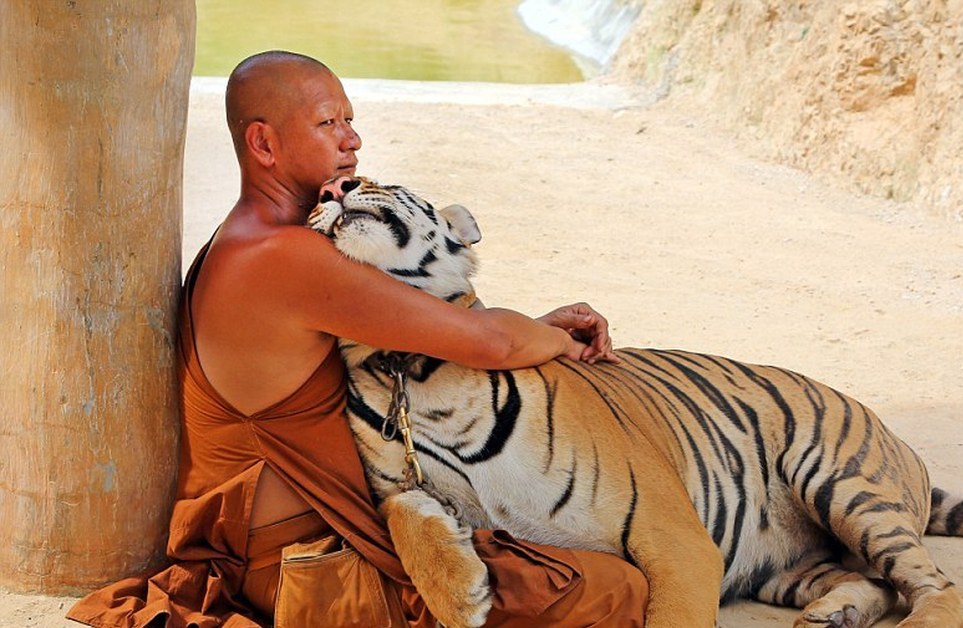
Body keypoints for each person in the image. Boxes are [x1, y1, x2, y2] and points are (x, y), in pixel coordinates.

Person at [68, 50, 647, 627]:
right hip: (306, 571)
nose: (353, 140)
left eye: (349, 119)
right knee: (613, 587)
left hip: (299, 554)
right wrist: (560, 343)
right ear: (264, 145)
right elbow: (492, 345)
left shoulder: (256, 238)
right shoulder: (281, 257)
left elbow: (447, 327)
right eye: (328, 124)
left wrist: (530, 329)